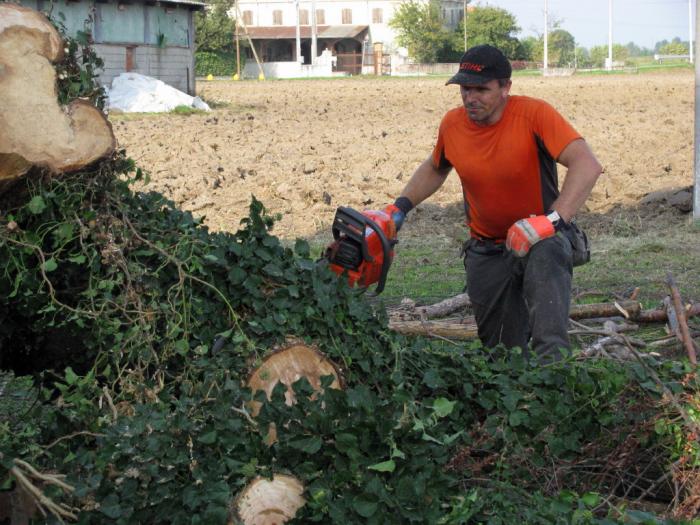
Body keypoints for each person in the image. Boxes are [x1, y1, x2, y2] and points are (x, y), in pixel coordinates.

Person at [385, 45, 603, 359]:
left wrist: (551, 221)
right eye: (465, 89)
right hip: (487, 247)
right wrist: (400, 207)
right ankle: (515, 386)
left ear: (505, 88)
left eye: (482, 89)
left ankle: (553, 373)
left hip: (538, 239)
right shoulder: (453, 124)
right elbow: (436, 166)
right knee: (501, 353)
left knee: (549, 253)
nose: (470, 97)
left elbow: (587, 164)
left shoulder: (534, 115)